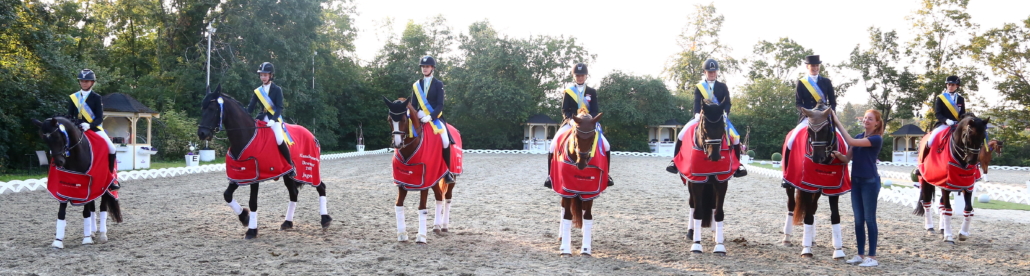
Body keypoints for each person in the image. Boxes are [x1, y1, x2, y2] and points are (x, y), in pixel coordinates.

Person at [666, 58, 746, 177]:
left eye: (714, 71)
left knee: (736, 138)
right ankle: (675, 162)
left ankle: (738, 165)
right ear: (705, 72)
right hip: (703, 116)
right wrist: (697, 114)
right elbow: (697, 102)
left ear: (717, 72)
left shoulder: (722, 86)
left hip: (719, 117)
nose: (712, 74)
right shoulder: (700, 87)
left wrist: (725, 112)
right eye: (709, 72)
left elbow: (728, 102)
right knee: (681, 134)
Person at [830, 109, 884, 267]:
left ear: (877, 123)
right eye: (865, 118)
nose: (866, 121)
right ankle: (860, 254)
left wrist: (837, 121)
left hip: (870, 181)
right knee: (858, 220)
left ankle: (872, 257)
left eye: (870, 119)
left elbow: (851, 142)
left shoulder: (876, 139)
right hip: (857, 181)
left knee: (870, 219)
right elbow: (847, 158)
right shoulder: (860, 136)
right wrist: (836, 155)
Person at [545, 63, 612, 188]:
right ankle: (549, 176)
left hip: (589, 123)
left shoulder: (592, 92)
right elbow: (565, 110)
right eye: (577, 75)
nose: (580, 77)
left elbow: (595, 110)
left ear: (586, 76)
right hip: (572, 122)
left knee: (606, 145)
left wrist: (589, 120)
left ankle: (607, 175)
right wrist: (571, 121)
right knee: (553, 145)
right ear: (574, 76)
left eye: (582, 75)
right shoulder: (569, 91)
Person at [410, 55, 455, 184]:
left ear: (432, 68)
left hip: (434, 117)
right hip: (420, 117)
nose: (425, 68)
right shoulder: (416, 85)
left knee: (445, 141)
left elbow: (440, 105)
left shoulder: (438, 84)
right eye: (423, 66)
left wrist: (431, 116)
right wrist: (416, 113)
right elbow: (413, 105)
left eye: (427, 66)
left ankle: (447, 172)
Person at [68, 69, 117, 175]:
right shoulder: (73, 97)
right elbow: (69, 116)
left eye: (86, 81)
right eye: (82, 81)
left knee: (112, 148)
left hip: (93, 128)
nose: (84, 83)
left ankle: (110, 176)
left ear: (92, 83)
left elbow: (99, 118)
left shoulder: (96, 98)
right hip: (76, 128)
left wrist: (89, 125)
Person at [246, 62, 293, 165]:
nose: (263, 77)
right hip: (261, 118)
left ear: (271, 75)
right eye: (261, 75)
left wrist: (273, 120)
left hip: (274, 119)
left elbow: (280, 107)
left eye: (265, 75)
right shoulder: (258, 91)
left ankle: (290, 164)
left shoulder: (277, 90)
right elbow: (251, 107)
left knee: (279, 140)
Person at [927, 76, 966, 146]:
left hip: (957, 125)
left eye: (953, 85)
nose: (950, 86)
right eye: (949, 84)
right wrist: (946, 120)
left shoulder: (961, 99)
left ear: (957, 86)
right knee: (930, 142)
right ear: (946, 85)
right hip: (944, 124)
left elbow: (962, 113)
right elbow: (938, 113)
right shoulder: (941, 98)